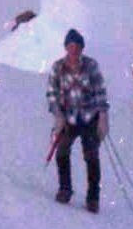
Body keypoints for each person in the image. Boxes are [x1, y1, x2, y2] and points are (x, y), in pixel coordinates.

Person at [47, 29, 110, 213]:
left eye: (77, 46)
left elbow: (100, 91)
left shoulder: (91, 66)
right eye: (70, 46)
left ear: (82, 48)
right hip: (68, 119)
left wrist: (103, 117)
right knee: (62, 152)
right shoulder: (58, 67)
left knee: (91, 156)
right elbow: (52, 93)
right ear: (66, 47)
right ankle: (65, 189)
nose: (74, 50)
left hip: (90, 118)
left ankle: (93, 199)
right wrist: (58, 116)